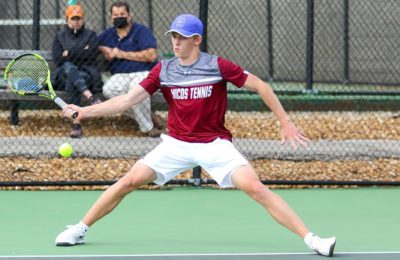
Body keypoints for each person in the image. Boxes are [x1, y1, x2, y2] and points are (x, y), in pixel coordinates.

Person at [56, 14, 336, 257]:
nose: (176, 43)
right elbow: (127, 100)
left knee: (255, 188)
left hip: (214, 144)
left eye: (183, 37)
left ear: (197, 40)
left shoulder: (217, 66)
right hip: (176, 144)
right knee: (129, 180)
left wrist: (285, 121)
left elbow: (261, 86)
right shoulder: (164, 69)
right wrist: (84, 112)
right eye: (173, 37)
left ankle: (313, 240)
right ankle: (80, 228)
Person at [97, 1, 163, 137]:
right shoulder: (108, 35)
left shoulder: (141, 31)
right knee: (108, 90)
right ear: (111, 18)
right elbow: (91, 43)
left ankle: (148, 128)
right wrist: (103, 49)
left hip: (143, 73)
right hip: (119, 75)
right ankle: (148, 116)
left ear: (129, 15)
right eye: (116, 15)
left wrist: (120, 53)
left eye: (122, 14)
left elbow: (151, 55)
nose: (119, 17)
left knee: (136, 91)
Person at [51, 4, 103, 138]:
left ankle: (76, 124)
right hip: (62, 76)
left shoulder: (91, 35)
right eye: (73, 19)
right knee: (68, 66)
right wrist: (81, 50)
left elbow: (92, 53)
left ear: (83, 19)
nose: (76, 22)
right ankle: (90, 96)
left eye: (78, 19)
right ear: (67, 19)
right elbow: (58, 59)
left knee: (71, 79)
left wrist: (69, 52)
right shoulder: (60, 36)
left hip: (86, 74)